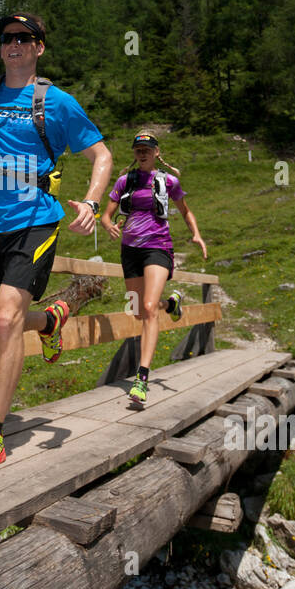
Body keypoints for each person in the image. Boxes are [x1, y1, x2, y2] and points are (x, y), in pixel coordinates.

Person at [0, 11, 112, 474]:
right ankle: (52, 319)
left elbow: (102, 155)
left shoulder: (57, 103)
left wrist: (93, 204)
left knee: (9, 316)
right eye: (7, 38)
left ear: (39, 47)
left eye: (24, 38)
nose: (13, 45)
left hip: (36, 220)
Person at [101, 129, 207, 410]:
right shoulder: (125, 181)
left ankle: (142, 379)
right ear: (134, 154)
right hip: (130, 250)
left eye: (148, 148)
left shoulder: (168, 181)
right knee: (138, 310)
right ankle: (170, 303)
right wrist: (107, 223)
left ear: (157, 152)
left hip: (158, 247)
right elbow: (106, 213)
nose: (143, 152)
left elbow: (185, 210)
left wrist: (196, 234)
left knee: (147, 307)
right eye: (138, 149)